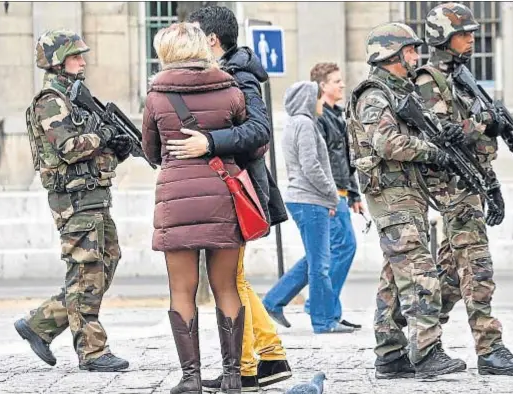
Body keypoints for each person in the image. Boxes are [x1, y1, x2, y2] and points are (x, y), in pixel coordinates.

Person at [164, 7, 293, 391]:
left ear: (213, 42)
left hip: (237, 187)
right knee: (236, 279)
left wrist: (210, 142)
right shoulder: (232, 71)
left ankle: (250, 365)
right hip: (236, 185)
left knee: (231, 281)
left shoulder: (235, 77)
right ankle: (270, 355)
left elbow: (258, 130)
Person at [346, 22, 467, 378]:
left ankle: (390, 353)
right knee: (419, 272)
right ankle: (427, 353)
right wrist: (433, 152)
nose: (416, 56)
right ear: (391, 55)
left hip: (405, 195)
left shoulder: (397, 92)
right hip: (391, 196)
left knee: (394, 276)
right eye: (410, 50)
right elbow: (387, 143)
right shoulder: (374, 95)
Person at [415, 2, 513, 376]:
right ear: (442, 38)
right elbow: (445, 135)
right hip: (452, 187)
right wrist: (485, 121)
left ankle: (416, 339)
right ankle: (490, 348)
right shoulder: (428, 80)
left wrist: (493, 187)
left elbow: (476, 143)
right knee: (477, 267)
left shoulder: (464, 80)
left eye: (473, 33)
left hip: (471, 184)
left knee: (450, 271)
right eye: (463, 34)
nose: (472, 39)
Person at [14, 29, 132, 372]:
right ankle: (93, 352)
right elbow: (69, 148)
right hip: (74, 201)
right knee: (85, 271)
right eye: (76, 55)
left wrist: (117, 150)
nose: (83, 60)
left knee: (105, 264)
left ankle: (40, 324)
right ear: (57, 60)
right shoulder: (51, 100)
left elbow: (91, 153)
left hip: (93, 197)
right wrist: (105, 135)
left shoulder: (76, 97)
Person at [141, 22, 248, 394]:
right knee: (227, 286)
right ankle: (233, 376)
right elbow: (250, 142)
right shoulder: (230, 89)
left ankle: (191, 379)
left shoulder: (157, 96)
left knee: (182, 290)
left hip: (178, 200)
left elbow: (151, 151)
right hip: (224, 196)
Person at [263, 80, 354, 335]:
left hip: (307, 198)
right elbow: (310, 165)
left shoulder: (298, 123)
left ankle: (273, 301)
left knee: (316, 258)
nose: (320, 102)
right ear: (307, 100)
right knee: (321, 264)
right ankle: (323, 321)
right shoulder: (303, 124)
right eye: (316, 98)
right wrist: (331, 194)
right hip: (310, 199)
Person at [304, 62, 362, 330]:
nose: (342, 85)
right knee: (342, 248)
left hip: (340, 191)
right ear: (322, 86)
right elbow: (319, 162)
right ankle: (322, 307)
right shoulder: (319, 118)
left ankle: (325, 307)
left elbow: (346, 159)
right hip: (328, 194)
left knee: (328, 252)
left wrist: (354, 193)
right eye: (336, 81)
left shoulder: (338, 115)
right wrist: (327, 196)